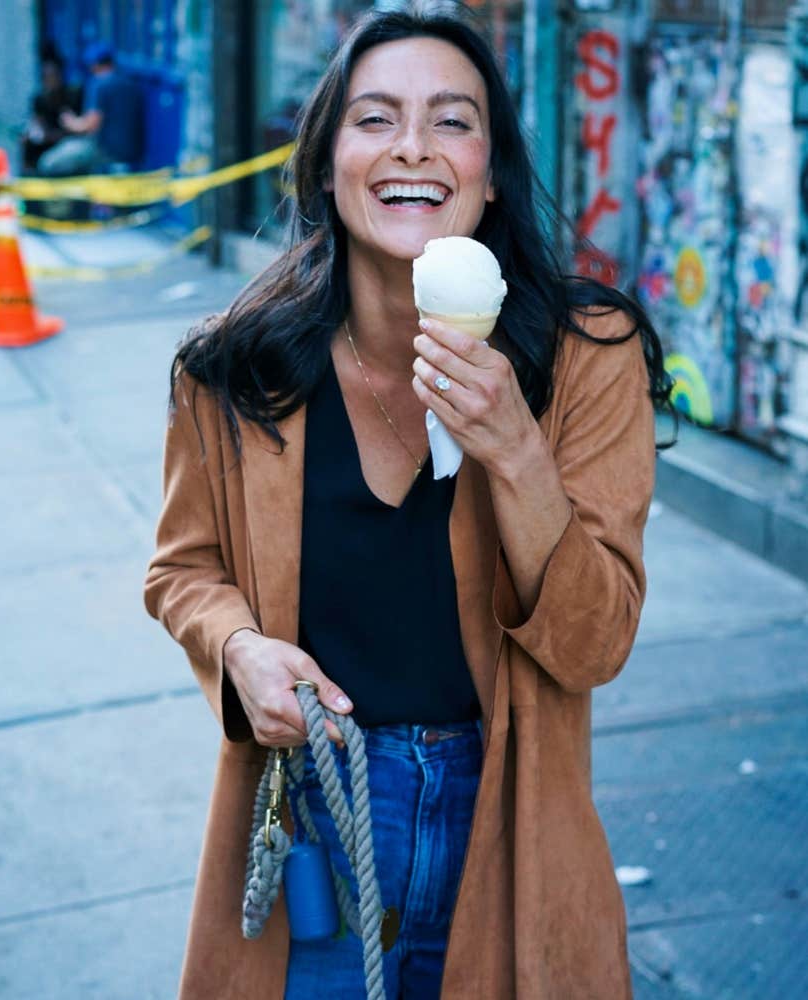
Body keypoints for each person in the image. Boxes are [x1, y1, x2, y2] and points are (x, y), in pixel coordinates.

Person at [144, 2, 673, 997]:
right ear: (328, 155)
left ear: (490, 166)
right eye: (376, 117)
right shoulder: (235, 367)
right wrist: (238, 647)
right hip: (315, 818)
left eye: (453, 120)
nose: (414, 149)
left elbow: (595, 642)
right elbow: (182, 568)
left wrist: (516, 451)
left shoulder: (585, 359)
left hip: (506, 816)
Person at [37, 42, 142, 177]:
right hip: (134, 152)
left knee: (48, 163)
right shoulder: (130, 84)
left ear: (94, 65)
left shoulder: (99, 84)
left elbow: (91, 125)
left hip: (105, 151)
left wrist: (71, 122)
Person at [20, 48, 82, 173]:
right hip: (48, 137)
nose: (51, 81)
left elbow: (76, 126)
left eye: (54, 76)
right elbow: (38, 123)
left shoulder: (72, 95)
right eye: (47, 78)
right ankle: (29, 176)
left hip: (68, 138)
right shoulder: (40, 99)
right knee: (27, 141)